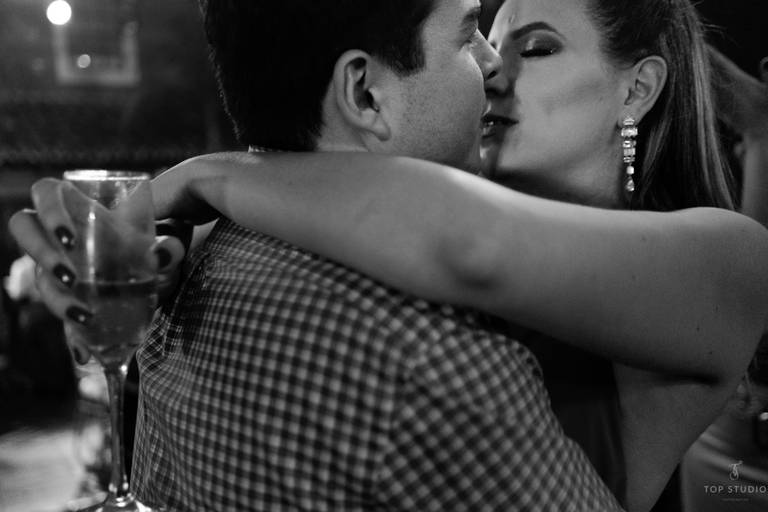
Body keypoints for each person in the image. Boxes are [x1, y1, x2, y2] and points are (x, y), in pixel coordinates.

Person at [10, 0, 768, 510]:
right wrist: (156, 255)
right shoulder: (392, 236)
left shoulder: (729, 255)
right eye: (480, 39)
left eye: (536, 48)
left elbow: (470, 243)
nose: (493, 69)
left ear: (637, 90)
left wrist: (207, 176)